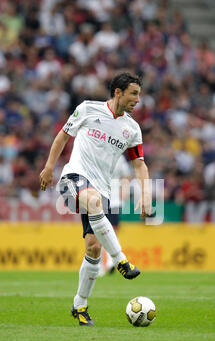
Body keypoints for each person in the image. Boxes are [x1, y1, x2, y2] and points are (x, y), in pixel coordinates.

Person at [40, 73, 153, 326]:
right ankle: (121, 260)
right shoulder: (87, 109)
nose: (138, 99)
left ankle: (80, 305)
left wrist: (145, 194)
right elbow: (62, 136)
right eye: (133, 93)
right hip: (73, 178)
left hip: (101, 190)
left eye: (139, 94)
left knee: (93, 247)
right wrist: (49, 167)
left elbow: (139, 165)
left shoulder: (132, 129)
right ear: (118, 92)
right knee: (92, 200)